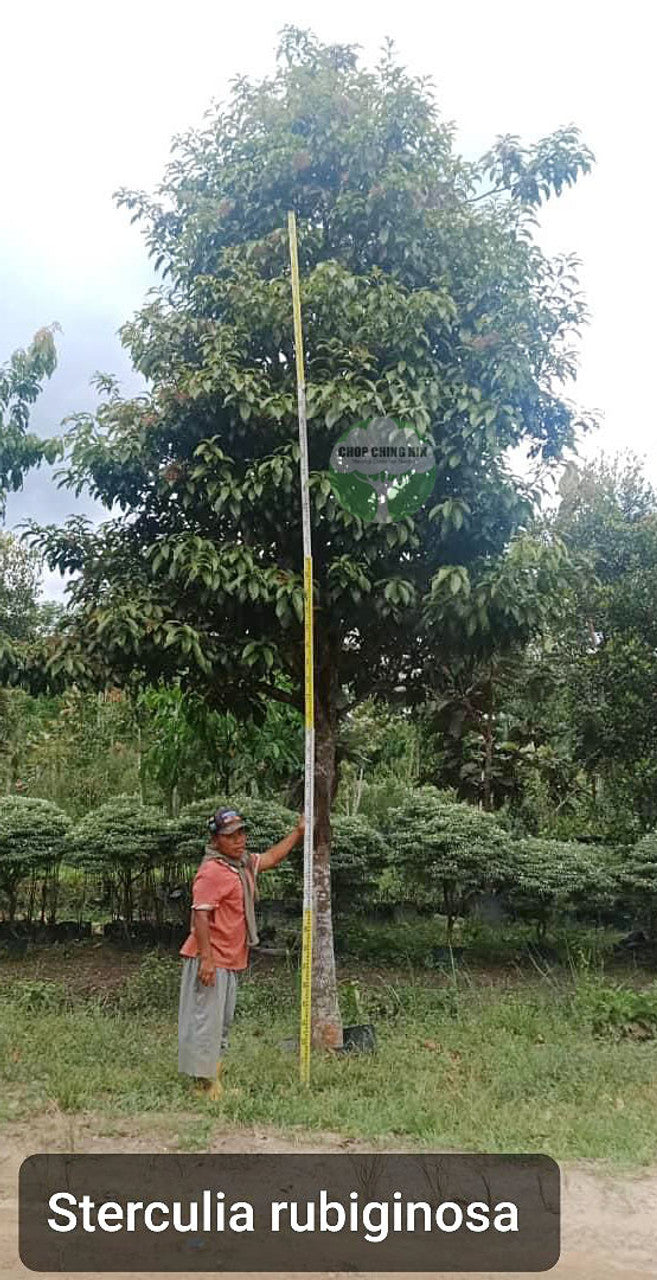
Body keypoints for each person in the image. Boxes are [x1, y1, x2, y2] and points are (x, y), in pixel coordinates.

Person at [178, 805, 305, 1099]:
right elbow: (200, 916)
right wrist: (207, 960)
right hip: (212, 958)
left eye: (242, 833)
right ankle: (203, 1084)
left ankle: (212, 1077)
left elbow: (272, 858)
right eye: (231, 835)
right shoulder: (212, 871)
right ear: (215, 840)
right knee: (206, 1021)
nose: (239, 840)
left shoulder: (241, 864)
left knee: (220, 1023)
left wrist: (298, 833)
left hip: (230, 959)